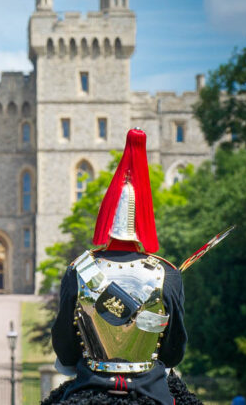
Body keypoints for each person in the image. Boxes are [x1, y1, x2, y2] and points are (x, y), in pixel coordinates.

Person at [49, 128, 188, 405]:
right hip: (152, 389)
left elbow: (65, 347)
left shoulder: (79, 270)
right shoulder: (167, 275)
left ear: (105, 219)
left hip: (89, 384)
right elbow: (173, 352)